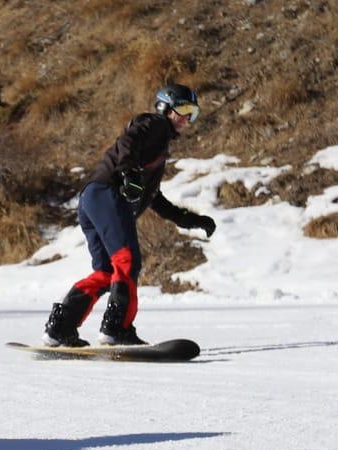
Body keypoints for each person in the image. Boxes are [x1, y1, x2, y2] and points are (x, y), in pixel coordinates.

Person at [43, 83, 216, 347]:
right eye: (182, 109)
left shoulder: (155, 152)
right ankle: (118, 328)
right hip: (107, 194)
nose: (186, 118)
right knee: (127, 260)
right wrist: (128, 172)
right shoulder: (154, 125)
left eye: (193, 113)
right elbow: (128, 142)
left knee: (104, 272)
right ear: (165, 107)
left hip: (92, 199)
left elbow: (154, 197)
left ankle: (60, 328)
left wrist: (189, 219)